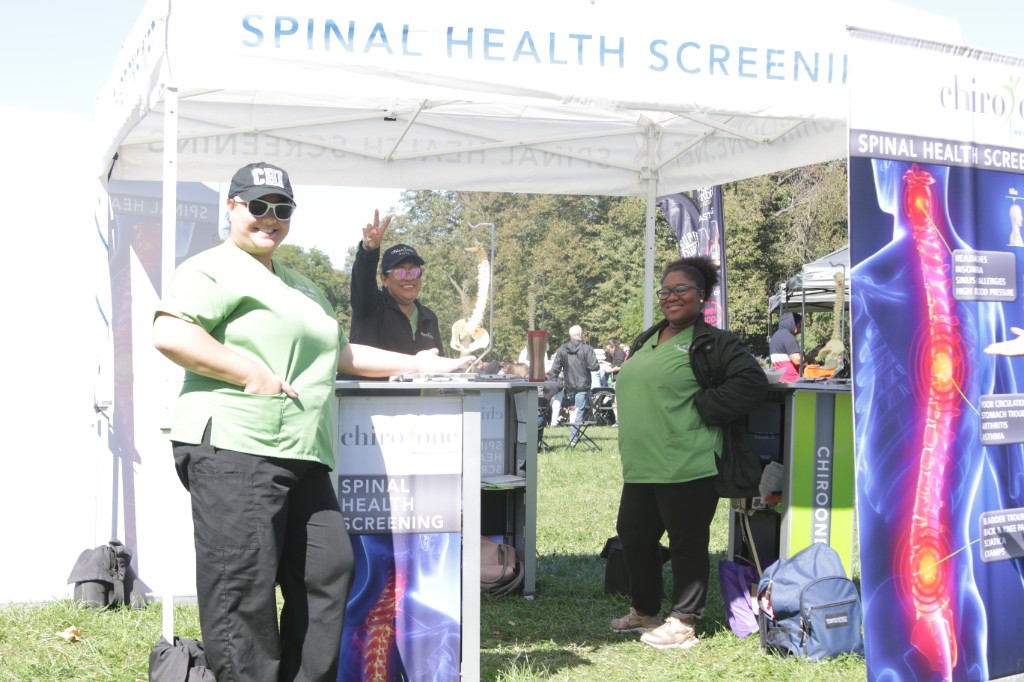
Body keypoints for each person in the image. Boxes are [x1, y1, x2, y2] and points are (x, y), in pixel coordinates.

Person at [152, 161, 473, 682]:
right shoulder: (210, 268)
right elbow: (172, 333)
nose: (270, 217)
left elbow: (343, 353)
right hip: (235, 445)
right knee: (243, 590)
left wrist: (420, 363)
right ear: (232, 207)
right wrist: (248, 373)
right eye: (258, 206)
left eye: (282, 209)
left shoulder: (301, 285)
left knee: (329, 570)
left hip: (302, 451)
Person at [610, 256, 768, 650]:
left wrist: (705, 405)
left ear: (701, 296)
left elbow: (752, 382)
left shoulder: (713, 342)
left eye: (682, 289)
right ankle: (645, 610)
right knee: (634, 535)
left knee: (686, 543)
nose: (672, 296)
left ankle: (683, 621)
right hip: (642, 462)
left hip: (688, 460)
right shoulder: (647, 338)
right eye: (665, 291)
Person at [345, 211, 445, 379]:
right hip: (366, 395)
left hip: (413, 396)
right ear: (384, 279)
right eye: (400, 272)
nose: (409, 278)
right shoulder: (370, 306)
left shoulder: (429, 318)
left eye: (415, 272)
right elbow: (362, 282)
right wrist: (369, 251)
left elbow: (437, 363)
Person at [547, 325, 599, 446]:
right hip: (583, 384)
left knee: (573, 410)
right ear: (580, 334)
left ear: (570, 335)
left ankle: (573, 436)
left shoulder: (562, 349)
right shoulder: (587, 349)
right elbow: (594, 366)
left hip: (569, 384)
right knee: (579, 410)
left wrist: (551, 382)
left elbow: (555, 368)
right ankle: (573, 439)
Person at [769, 311, 814, 382]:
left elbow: (784, 362)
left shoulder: (775, 336)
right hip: (791, 381)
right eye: (799, 326)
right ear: (792, 324)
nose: (800, 330)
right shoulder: (788, 337)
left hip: (780, 380)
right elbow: (797, 360)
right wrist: (814, 354)